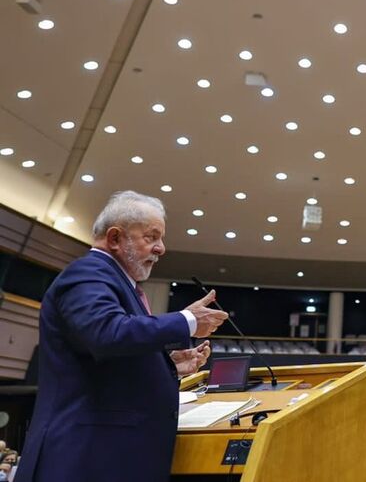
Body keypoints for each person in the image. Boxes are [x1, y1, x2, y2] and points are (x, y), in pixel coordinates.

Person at [18, 191, 228, 482]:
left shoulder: (118, 283)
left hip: (109, 457)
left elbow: (113, 354)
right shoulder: (87, 274)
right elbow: (106, 334)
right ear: (115, 238)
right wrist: (187, 320)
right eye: (151, 237)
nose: (161, 248)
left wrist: (167, 365)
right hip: (85, 460)